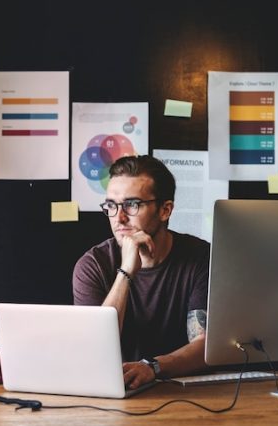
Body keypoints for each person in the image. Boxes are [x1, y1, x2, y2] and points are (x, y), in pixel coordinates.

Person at [73, 155, 210, 389]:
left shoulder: (200, 257)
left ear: (165, 210)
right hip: (118, 389)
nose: (119, 217)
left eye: (132, 204)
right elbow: (93, 347)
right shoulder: (93, 265)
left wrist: (152, 367)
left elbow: (205, 345)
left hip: (188, 389)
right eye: (112, 205)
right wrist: (126, 272)